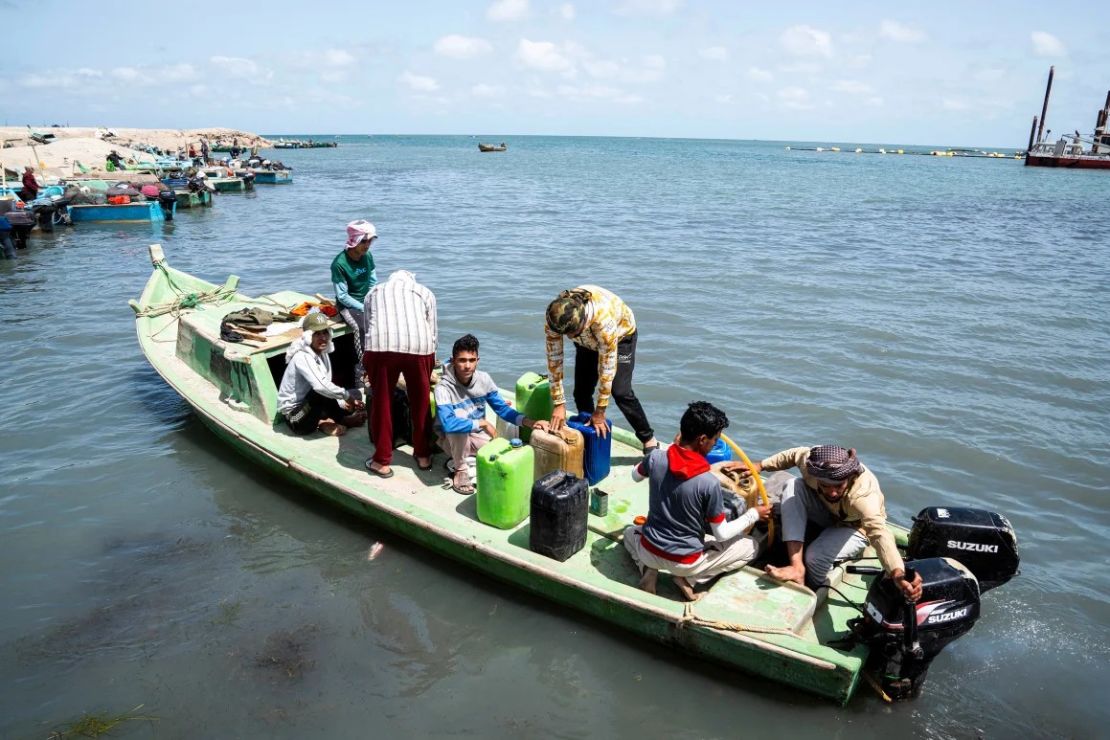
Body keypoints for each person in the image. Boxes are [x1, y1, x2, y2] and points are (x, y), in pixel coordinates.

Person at [623, 401, 771, 601]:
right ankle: (688, 579)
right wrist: (754, 514)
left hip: (650, 551)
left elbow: (635, 476)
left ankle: (648, 570)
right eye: (714, 440)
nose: (713, 445)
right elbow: (721, 534)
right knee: (750, 547)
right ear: (702, 440)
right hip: (685, 562)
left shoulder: (656, 458)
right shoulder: (708, 483)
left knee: (629, 532)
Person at [746, 445, 923, 601]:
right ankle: (796, 567)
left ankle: (812, 588)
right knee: (793, 485)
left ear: (850, 476)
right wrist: (760, 465)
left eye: (838, 486)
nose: (832, 492)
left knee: (815, 558)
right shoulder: (813, 463)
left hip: (855, 526)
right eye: (825, 486)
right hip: (829, 513)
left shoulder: (864, 495)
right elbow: (795, 454)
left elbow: (879, 533)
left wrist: (897, 571)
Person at [544, 285, 658, 450]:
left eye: (572, 334)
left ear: (582, 323)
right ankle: (591, 434)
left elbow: (607, 369)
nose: (568, 338)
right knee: (581, 393)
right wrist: (559, 403)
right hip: (586, 341)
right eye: (565, 335)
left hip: (620, 336)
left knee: (620, 391)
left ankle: (649, 439)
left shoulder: (603, 321)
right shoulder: (554, 318)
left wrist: (601, 411)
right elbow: (554, 359)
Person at [434, 334, 551, 494]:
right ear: (453, 360)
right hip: (450, 439)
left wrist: (530, 422)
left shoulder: (484, 380)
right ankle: (460, 470)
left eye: (472, 360)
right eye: (462, 360)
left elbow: (502, 409)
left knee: (505, 455)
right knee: (458, 422)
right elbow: (448, 424)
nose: (467, 366)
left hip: (477, 436)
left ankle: (465, 457)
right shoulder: (443, 388)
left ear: (478, 360)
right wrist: (482, 423)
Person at [363, 270, 437, 478]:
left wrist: (368, 364)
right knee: (421, 402)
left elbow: (368, 326)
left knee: (382, 402)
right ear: (412, 279)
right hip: (419, 348)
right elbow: (432, 332)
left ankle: (381, 461)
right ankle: (423, 456)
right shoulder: (425, 292)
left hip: (381, 347)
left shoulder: (374, 291)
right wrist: (429, 363)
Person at [277, 312, 366, 436]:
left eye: (325, 333)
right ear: (309, 337)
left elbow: (327, 384)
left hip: (313, 407)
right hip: (296, 418)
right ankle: (338, 421)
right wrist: (347, 398)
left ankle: (327, 420)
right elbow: (321, 387)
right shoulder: (302, 357)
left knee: (356, 394)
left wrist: (344, 401)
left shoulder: (322, 352)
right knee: (321, 391)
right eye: (317, 334)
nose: (323, 338)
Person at [331, 220, 377, 383]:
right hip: (347, 306)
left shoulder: (368, 256)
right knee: (360, 327)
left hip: (366, 300)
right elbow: (342, 296)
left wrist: (372, 301)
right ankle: (364, 367)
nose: (367, 245)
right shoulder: (339, 264)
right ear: (354, 240)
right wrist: (363, 307)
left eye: (369, 241)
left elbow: (372, 281)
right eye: (363, 241)